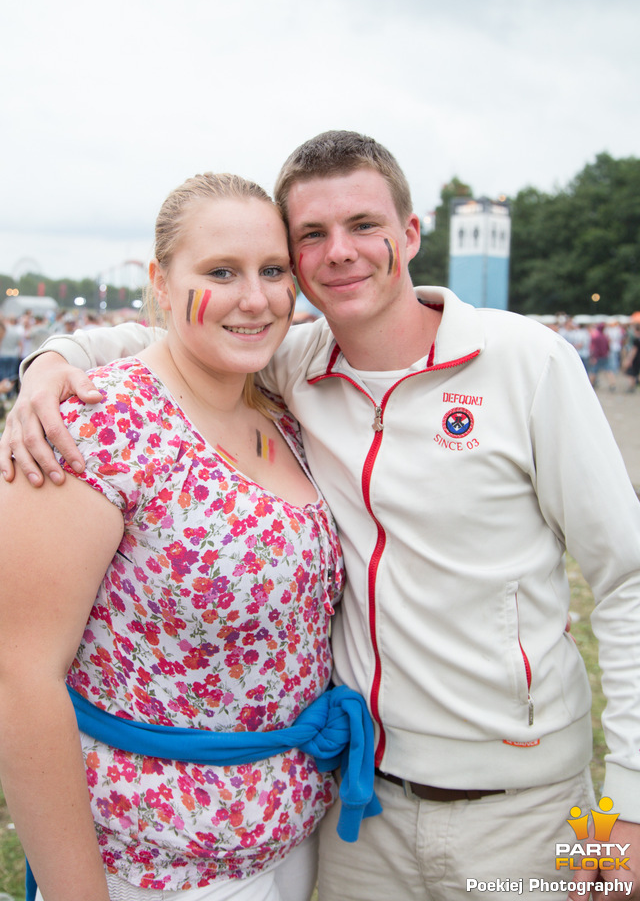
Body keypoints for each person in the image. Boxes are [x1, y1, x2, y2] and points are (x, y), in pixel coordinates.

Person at [3, 132, 640, 901]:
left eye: (363, 225)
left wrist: (631, 810)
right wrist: (54, 360)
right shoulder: (292, 370)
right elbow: (173, 340)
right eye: (309, 237)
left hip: (520, 810)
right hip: (353, 812)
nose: (338, 253)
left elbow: (627, 581)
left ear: (409, 234)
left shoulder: (526, 363)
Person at [0, 172, 381, 901]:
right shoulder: (94, 427)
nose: (255, 298)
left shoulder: (281, 410)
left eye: (273, 271)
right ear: (162, 283)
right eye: (221, 272)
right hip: (154, 869)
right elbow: (21, 680)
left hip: (296, 844)